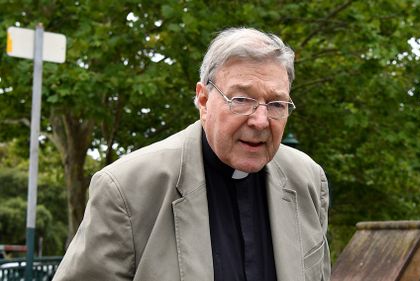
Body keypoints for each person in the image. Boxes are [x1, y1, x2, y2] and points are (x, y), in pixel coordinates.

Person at [53, 27, 330, 281]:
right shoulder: (126, 190)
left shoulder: (307, 180)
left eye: (276, 104)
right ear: (204, 100)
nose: (260, 120)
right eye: (242, 100)